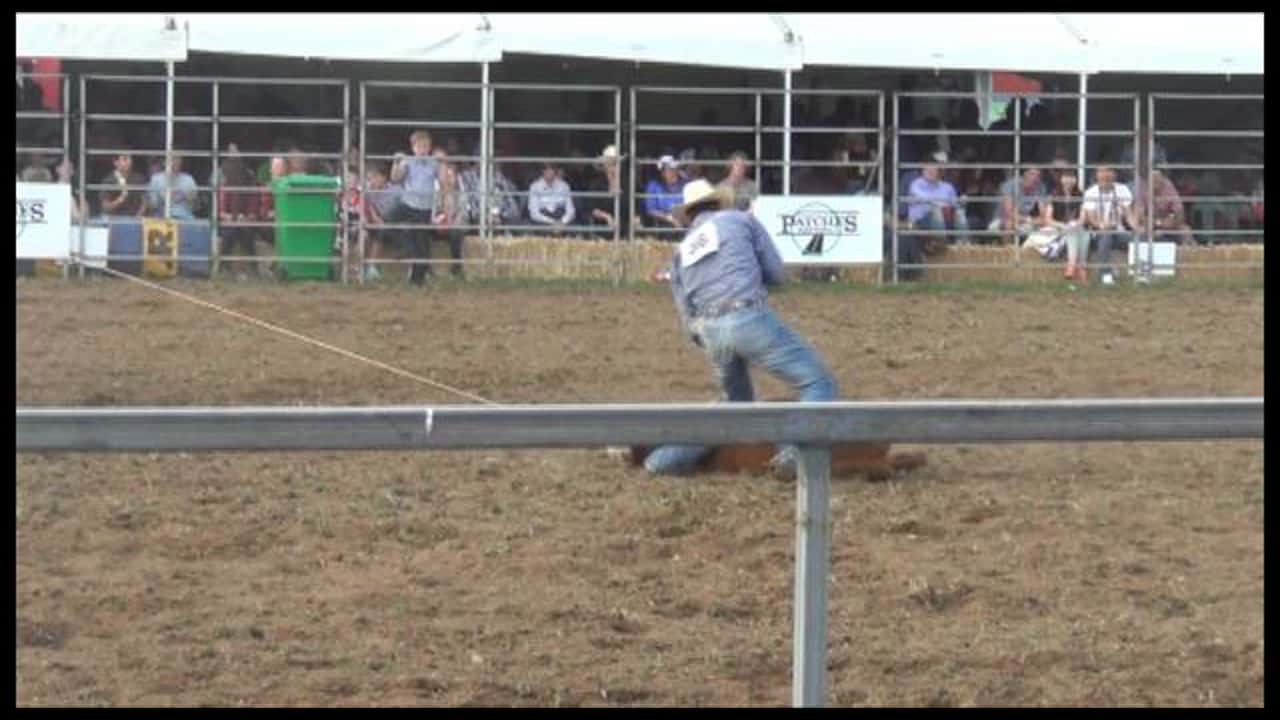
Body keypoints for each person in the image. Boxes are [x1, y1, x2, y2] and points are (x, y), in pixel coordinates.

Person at [639, 179, 839, 478]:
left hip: (709, 329)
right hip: (746, 316)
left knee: (733, 409)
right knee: (818, 383)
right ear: (719, 202)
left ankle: (661, 462)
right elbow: (776, 273)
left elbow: (686, 318)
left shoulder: (681, 253)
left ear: (689, 216)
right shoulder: (740, 220)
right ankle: (791, 454)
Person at [386, 130, 439, 286]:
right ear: (413, 147)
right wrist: (396, 163)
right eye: (419, 146)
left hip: (424, 208)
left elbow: (444, 181)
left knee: (422, 243)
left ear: (429, 147)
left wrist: (444, 164)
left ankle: (417, 281)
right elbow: (395, 179)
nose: (423, 149)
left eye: (426, 146)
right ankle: (407, 248)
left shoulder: (433, 163)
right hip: (407, 203)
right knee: (388, 222)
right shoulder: (407, 161)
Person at [1081, 165, 1135, 286]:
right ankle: (1105, 274)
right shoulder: (1090, 192)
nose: (1106, 174)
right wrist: (1102, 226)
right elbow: (1091, 218)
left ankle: (1142, 273)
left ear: (1114, 174)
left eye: (1109, 171)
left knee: (1139, 239)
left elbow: (1129, 214)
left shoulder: (1123, 189)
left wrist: (1137, 228)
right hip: (1098, 233)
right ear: (1097, 175)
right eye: (1102, 171)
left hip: (1119, 232)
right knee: (1106, 236)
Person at [905, 154, 968, 252]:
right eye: (927, 170)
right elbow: (926, 200)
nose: (930, 172)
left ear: (938, 171)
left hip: (945, 218)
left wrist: (961, 203)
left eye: (933, 170)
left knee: (959, 213)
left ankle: (963, 246)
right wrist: (942, 205)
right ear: (923, 170)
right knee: (937, 211)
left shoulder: (947, 187)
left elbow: (955, 205)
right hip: (921, 221)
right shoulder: (916, 185)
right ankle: (941, 246)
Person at [217, 154, 265, 279]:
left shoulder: (251, 186)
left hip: (246, 222)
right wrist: (232, 218)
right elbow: (221, 212)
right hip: (230, 222)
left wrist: (244, 218)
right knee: (230, 231)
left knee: (246, 231)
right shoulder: (226, 186)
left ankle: (253, 267)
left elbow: (254, 213)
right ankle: (223, 266)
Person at [1038, 166, 1088, 283]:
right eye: (1066, 177)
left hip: (1076, 228)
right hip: (1058, 228)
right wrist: (1063, 226)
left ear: (1076, 180)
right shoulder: (1054, 195)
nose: (1069, 180)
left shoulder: (1081, 196)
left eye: (1072, 177)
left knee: (1084, 233)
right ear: (1061, 179)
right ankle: (1080, 268)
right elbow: (1048, 219)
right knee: (1076, 232)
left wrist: (1075, 224)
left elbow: (1083, 218)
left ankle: (1072, 266)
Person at [430, 148, 466, 279]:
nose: (448, 177)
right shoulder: (430, 185)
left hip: (452, 223)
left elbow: (463, 208)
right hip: (434, 224)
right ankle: (426, 269)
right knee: (422, 232)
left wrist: (453, 222)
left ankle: (457, 268)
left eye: (451, 175)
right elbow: (428, 210)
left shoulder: (459, 188)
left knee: (457, 232)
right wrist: (435, 223)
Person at [990, 167, 1049, 244]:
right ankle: (1009, 251)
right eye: (1032, 174)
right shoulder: (1010, 186)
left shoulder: (1040, 187)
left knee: (1045, 226)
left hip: (1024, 222)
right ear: (1025, 174)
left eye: (1038, 176)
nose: (1035, 178)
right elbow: (1008, 213)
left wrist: (1039, 220)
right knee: (1009, 223)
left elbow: (1043, 213)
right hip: (1001, 220)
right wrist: (1029, 220)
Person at [580, 144, 626, 238]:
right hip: (602, 228)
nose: (613, 167)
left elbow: (630, 207)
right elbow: (590, 208)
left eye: (615, 164)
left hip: (624, 228)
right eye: (610, 164)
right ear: (604, 166)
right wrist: (606, 216)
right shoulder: (596, 184)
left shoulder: (625, 183)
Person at [144, 154, 199, 220]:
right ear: (164, 162)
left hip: (185, 217)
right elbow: (152, 205)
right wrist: (154, 201)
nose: (176, 162)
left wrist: (191, 199)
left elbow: (196, 207)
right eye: (173, 159)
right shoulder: (156, 179)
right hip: (161, 217)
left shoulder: (189, 179)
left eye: (178, 159)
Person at [527, 161, 576, 234]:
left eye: (552, 169)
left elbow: (571, 210)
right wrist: (553, 223)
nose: (549, 172)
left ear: (555, 171)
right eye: (546, 169)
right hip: (543, 221)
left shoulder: (564, 186)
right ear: (542, 171)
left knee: (574, 228)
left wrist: (562, 222)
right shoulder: (535, 187)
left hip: (561, 219)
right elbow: (534, 213)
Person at [642, 155, 686, 232]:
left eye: (670, 168)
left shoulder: (686, 184)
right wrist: (669, 218)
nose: (665, 172)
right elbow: (650, 210)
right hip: (663, 223)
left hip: (685, 220)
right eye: (664, 169)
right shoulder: (653, 185)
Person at [96, 153, 144, 220]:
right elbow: (105, 207)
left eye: (130, 159)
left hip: (134, 217)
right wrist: (119, 200)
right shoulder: (109, 180)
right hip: (113, 217)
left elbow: (145, 200)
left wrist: (139, 215)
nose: (129, 162)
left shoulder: (138, 178)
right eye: (125, 159)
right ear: (116, 163)